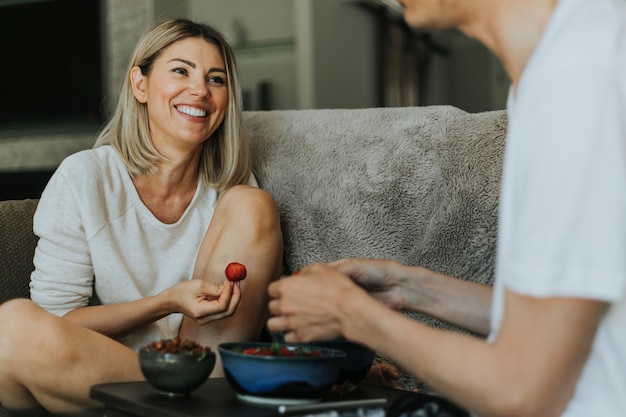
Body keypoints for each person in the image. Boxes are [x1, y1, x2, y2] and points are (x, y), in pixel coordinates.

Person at [266, 0, 626, 416]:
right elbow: (554, 322)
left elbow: (522, 392)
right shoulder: (558, 64)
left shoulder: (582, 76)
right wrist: (410, 288)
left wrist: (351, 314)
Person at [0, 18, 283, 414]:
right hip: (98, 374)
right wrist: (165, 302)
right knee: (11, 326)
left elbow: (242, 329)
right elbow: (58, 324)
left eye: (216, 80)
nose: (200, 90)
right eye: (181, 71)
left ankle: (193, 403)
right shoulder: (86, 177)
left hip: (202, 375)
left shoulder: (233, 196)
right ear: (140, 85)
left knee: (253, 203)